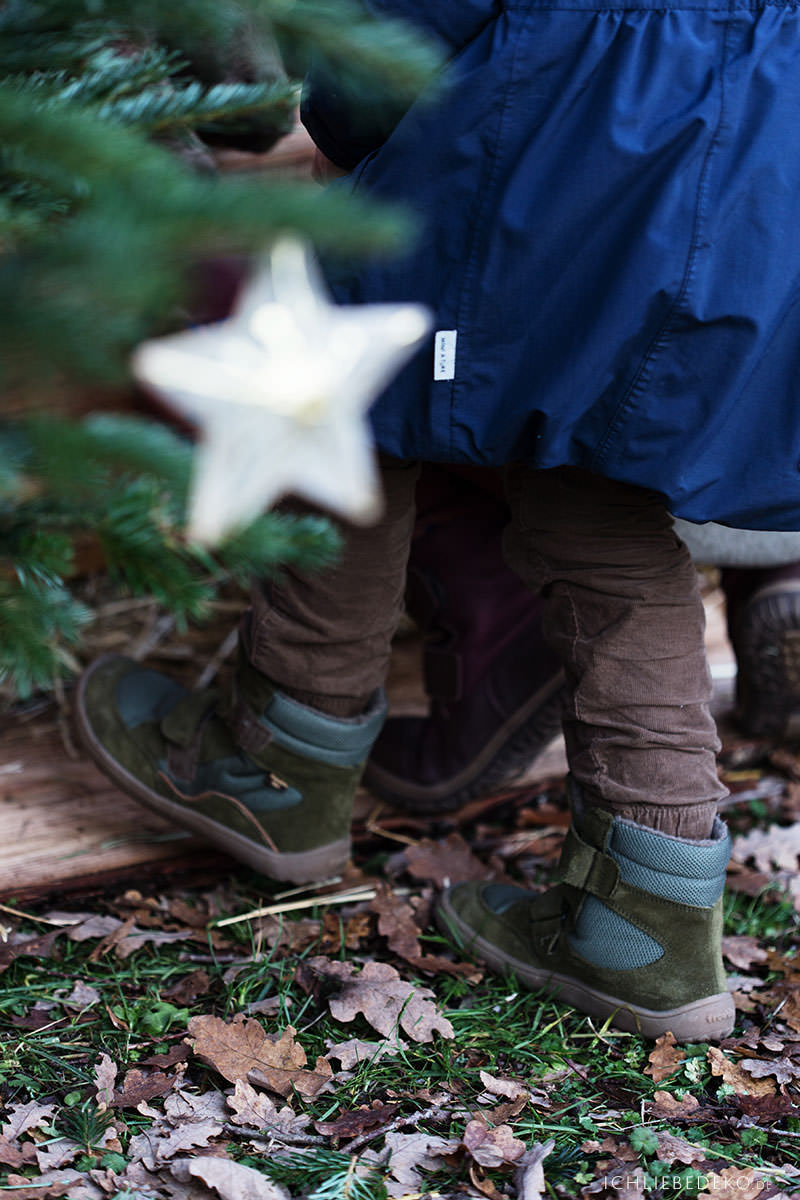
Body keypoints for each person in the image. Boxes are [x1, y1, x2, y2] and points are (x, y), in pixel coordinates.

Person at [76, 0, 800, 1041]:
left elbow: (387, 58)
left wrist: (340, 123)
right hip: (754, 191)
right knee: (602, 498)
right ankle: (646, 916)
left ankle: (275, 757)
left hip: (569, 151)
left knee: (341, 384)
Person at [364, 464, 800, 812]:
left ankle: (498, 602)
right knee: (750, 387)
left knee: (409, 410)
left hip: (618, 479)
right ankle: (777, 575)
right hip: (750, 475)